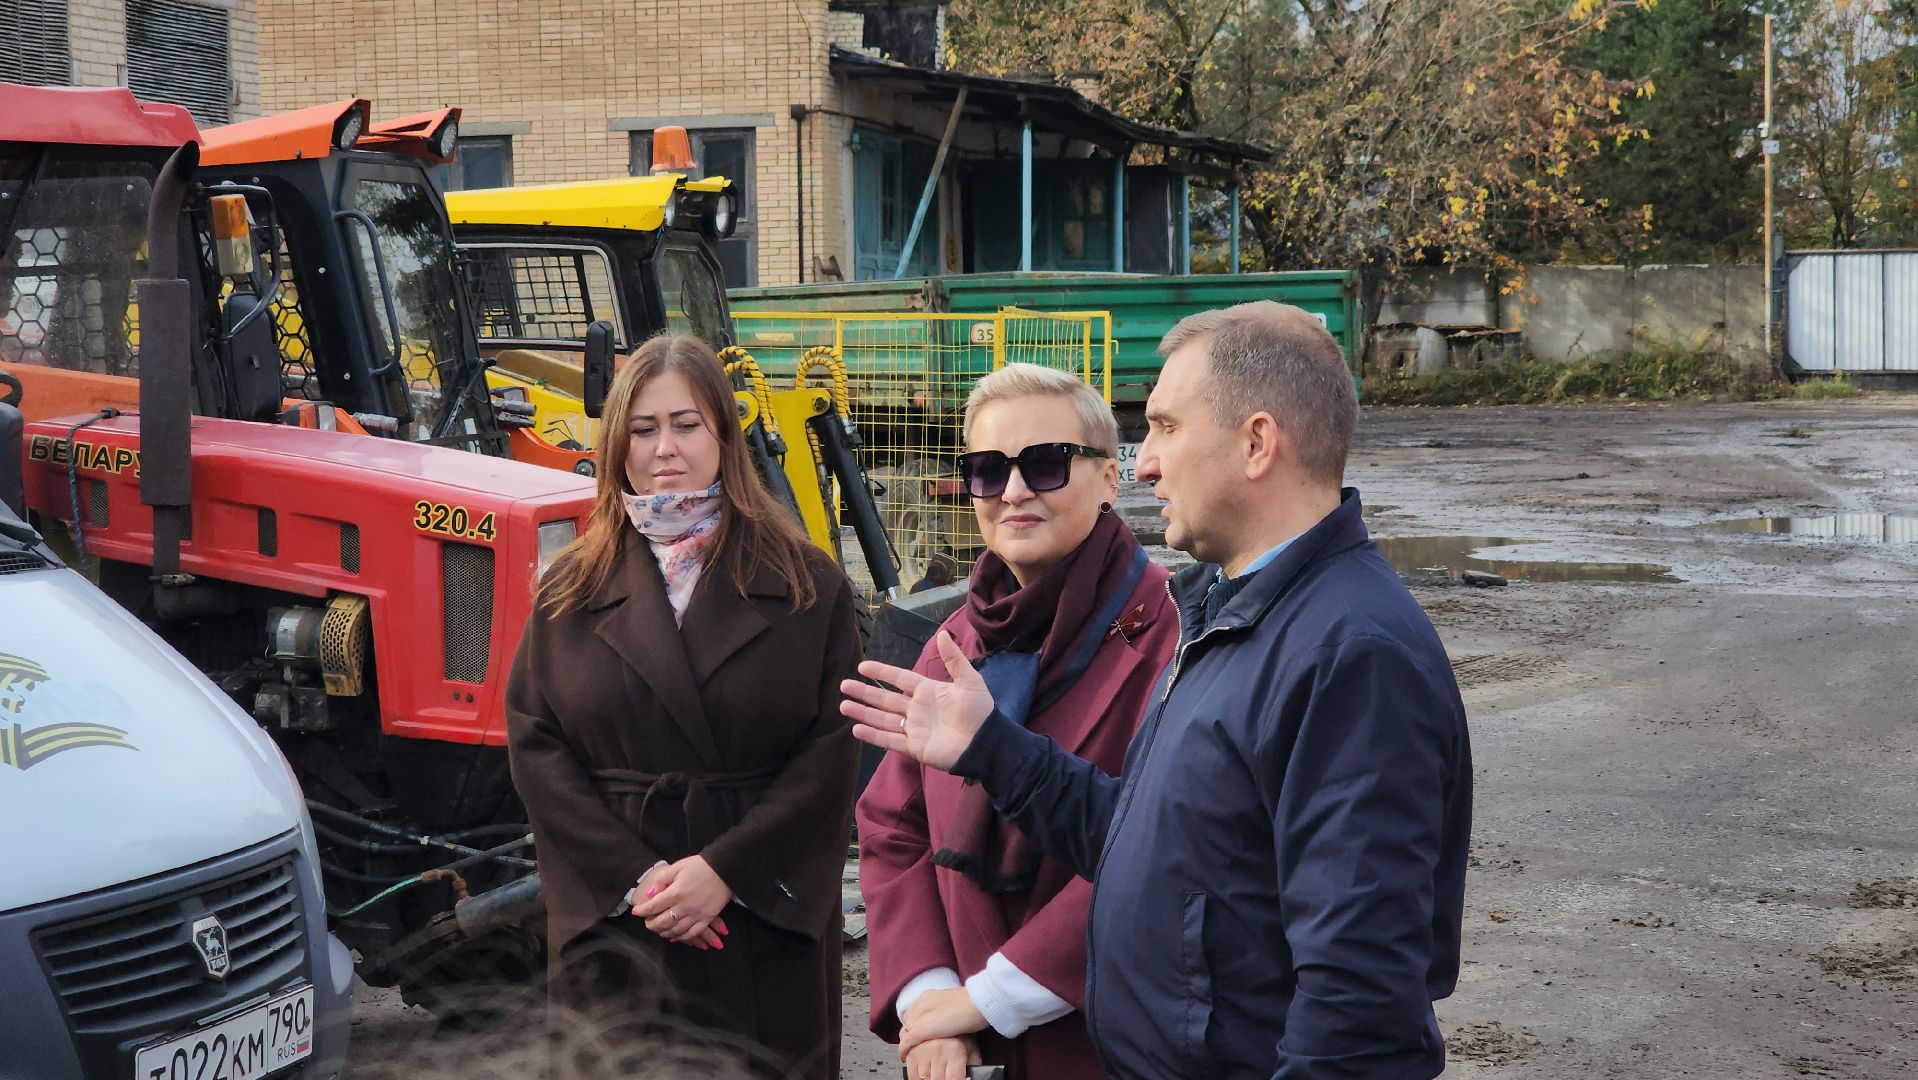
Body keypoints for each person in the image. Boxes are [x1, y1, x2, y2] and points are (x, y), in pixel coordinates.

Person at [843, 302, 1473, 1080]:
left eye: (1167, 428)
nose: (1145, 463)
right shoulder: (1232, 615)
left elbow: (1358, 1007)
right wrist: (994, 751)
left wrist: (995, 998)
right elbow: (1150, 843)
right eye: (987, 468)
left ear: (1256, 443)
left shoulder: (1351, 654)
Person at [506, 333, 860, 1079]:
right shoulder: (569, 586)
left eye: (687, 424)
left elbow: (831, 753)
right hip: (625, 922)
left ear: (724, 438)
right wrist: (641, 880)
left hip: (757, 921)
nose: (665, 447)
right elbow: (537, 746)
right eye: (644, 428)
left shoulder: (806, 584)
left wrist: (724, 872)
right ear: (618, 446)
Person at [857, 365, 1180, 1080]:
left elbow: (1167, 852)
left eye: (1045, 463)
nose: (1013, 491)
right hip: (962, 1055)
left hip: (1103, 1044)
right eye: (986, 469)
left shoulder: (1173, 640)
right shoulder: (958, 642)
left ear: (1108, 479)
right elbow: (892, 825)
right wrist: (930, 997)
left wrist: (993, 998)